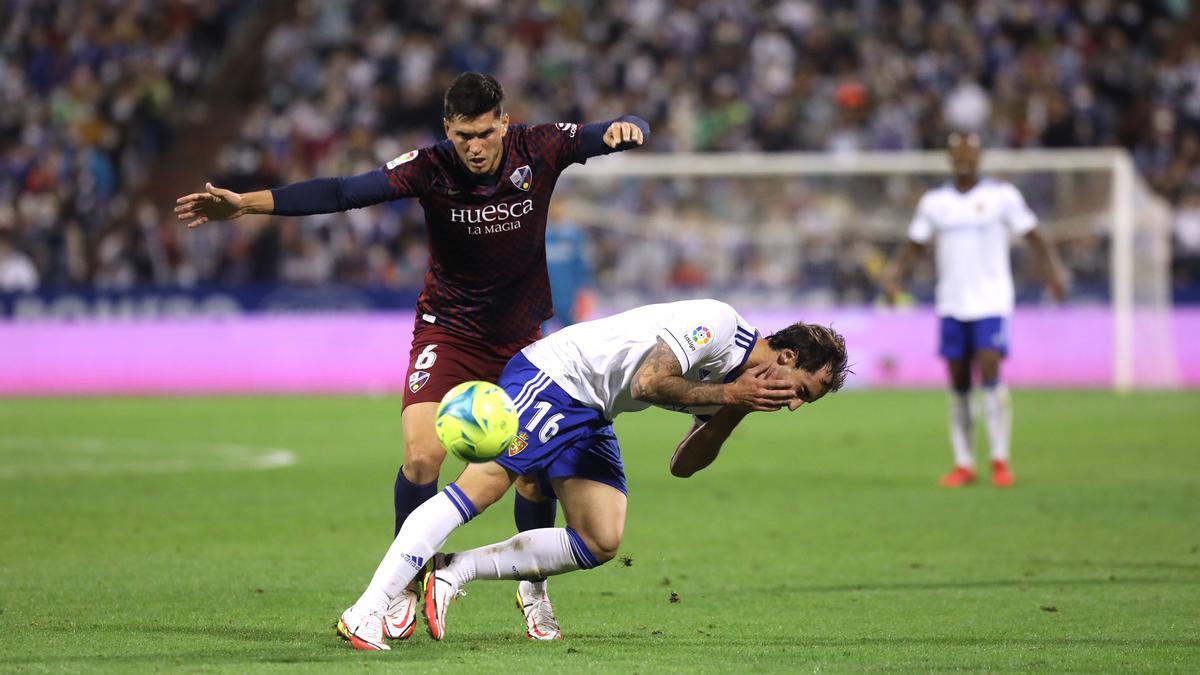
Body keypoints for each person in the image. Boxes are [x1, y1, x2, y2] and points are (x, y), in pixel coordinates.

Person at [174, 72, 649, 640]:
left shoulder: (539, 146)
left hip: (523, 342)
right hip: (447, 332)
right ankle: (404, 584)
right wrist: (246, 205)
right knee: (423, 458)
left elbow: (616, 130)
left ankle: (533, 588)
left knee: (532, 475)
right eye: (462, 135)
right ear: (447, 129)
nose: (473, 147)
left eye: (484, 133)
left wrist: (629, 127)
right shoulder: (429, 166)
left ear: (503, 121)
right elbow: (344, 191)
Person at [334, 298, 850, 649]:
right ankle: (368, 607)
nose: (795, 406)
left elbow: (683, 466)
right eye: (803, 391)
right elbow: (650, 382)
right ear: (785, 356)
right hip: (557, 376)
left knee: (601, 537)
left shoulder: (742, 388)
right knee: (482, 488)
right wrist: (730, 395)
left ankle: (455, 569)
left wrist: (733, 408)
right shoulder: (716, 323)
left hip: (592, 411)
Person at [882, 132, 1065, 489]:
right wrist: (894, 277)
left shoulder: (1002, 196)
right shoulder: (935, 202)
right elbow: (914, 244)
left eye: (970, 152)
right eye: (958, 153)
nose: (964, 158)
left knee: (991, 371)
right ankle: (964, 463)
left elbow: (1035, 237)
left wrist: (1054, 274)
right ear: (950, 159)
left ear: (980, 157)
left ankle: (999, 459)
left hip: (991, 302)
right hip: (951, 303)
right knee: (959, 383)